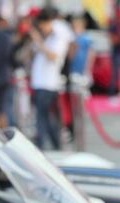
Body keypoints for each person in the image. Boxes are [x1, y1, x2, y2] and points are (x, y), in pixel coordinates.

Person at [29, 8, 70, 150]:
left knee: (44, 116)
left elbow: (53, 56)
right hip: (41, 82)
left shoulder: (58, 36)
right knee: (45, 116)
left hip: (48, 83)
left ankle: (46, 145)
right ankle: (53, 144)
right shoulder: (48, 38)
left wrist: (39, 42)